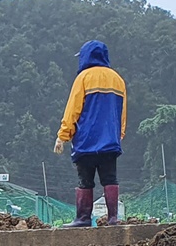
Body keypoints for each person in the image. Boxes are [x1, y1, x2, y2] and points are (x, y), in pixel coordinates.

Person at [54, 40, 127, 226]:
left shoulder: (84, 78)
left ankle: (83, 218)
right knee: (110, 177)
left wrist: (63, 136)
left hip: (86, 140)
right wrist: (119, 135)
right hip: (110, 141)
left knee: (85, 180)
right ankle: (113, 218)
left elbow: (73, 109)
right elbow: (121, 112)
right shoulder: (117, 79)